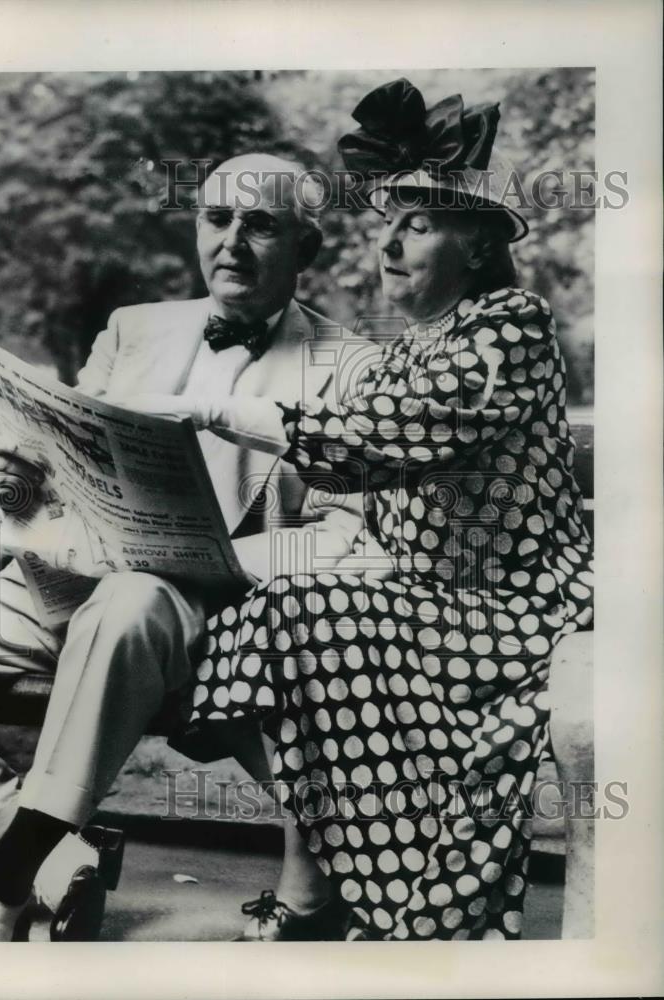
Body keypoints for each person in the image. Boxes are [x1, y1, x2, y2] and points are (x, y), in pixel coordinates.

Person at [152, 78, 594, 940]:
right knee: (258, 619)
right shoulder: (402, 353)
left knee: (289, 619)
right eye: (387, 224)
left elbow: (372, 439)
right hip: (428, 604)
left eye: (417, 225)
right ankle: (347, 880)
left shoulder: (511, 325)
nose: (389, 245)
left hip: (515, 607)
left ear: (478, 246)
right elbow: (357, 499)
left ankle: (330, 894)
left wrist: (208, 410)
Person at [0, 153, 370, 940]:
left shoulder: (354, 366)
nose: (231, 242)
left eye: (260, 225)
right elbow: (62, 471)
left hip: (204, 609)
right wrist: (21, 486)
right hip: (69, 580)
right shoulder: (133, 330)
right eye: (217, 219)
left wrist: (216, 564)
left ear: (306, 246)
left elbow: (342, 533)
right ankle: (44, 853)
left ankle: (2, 883)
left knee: (131, 602)